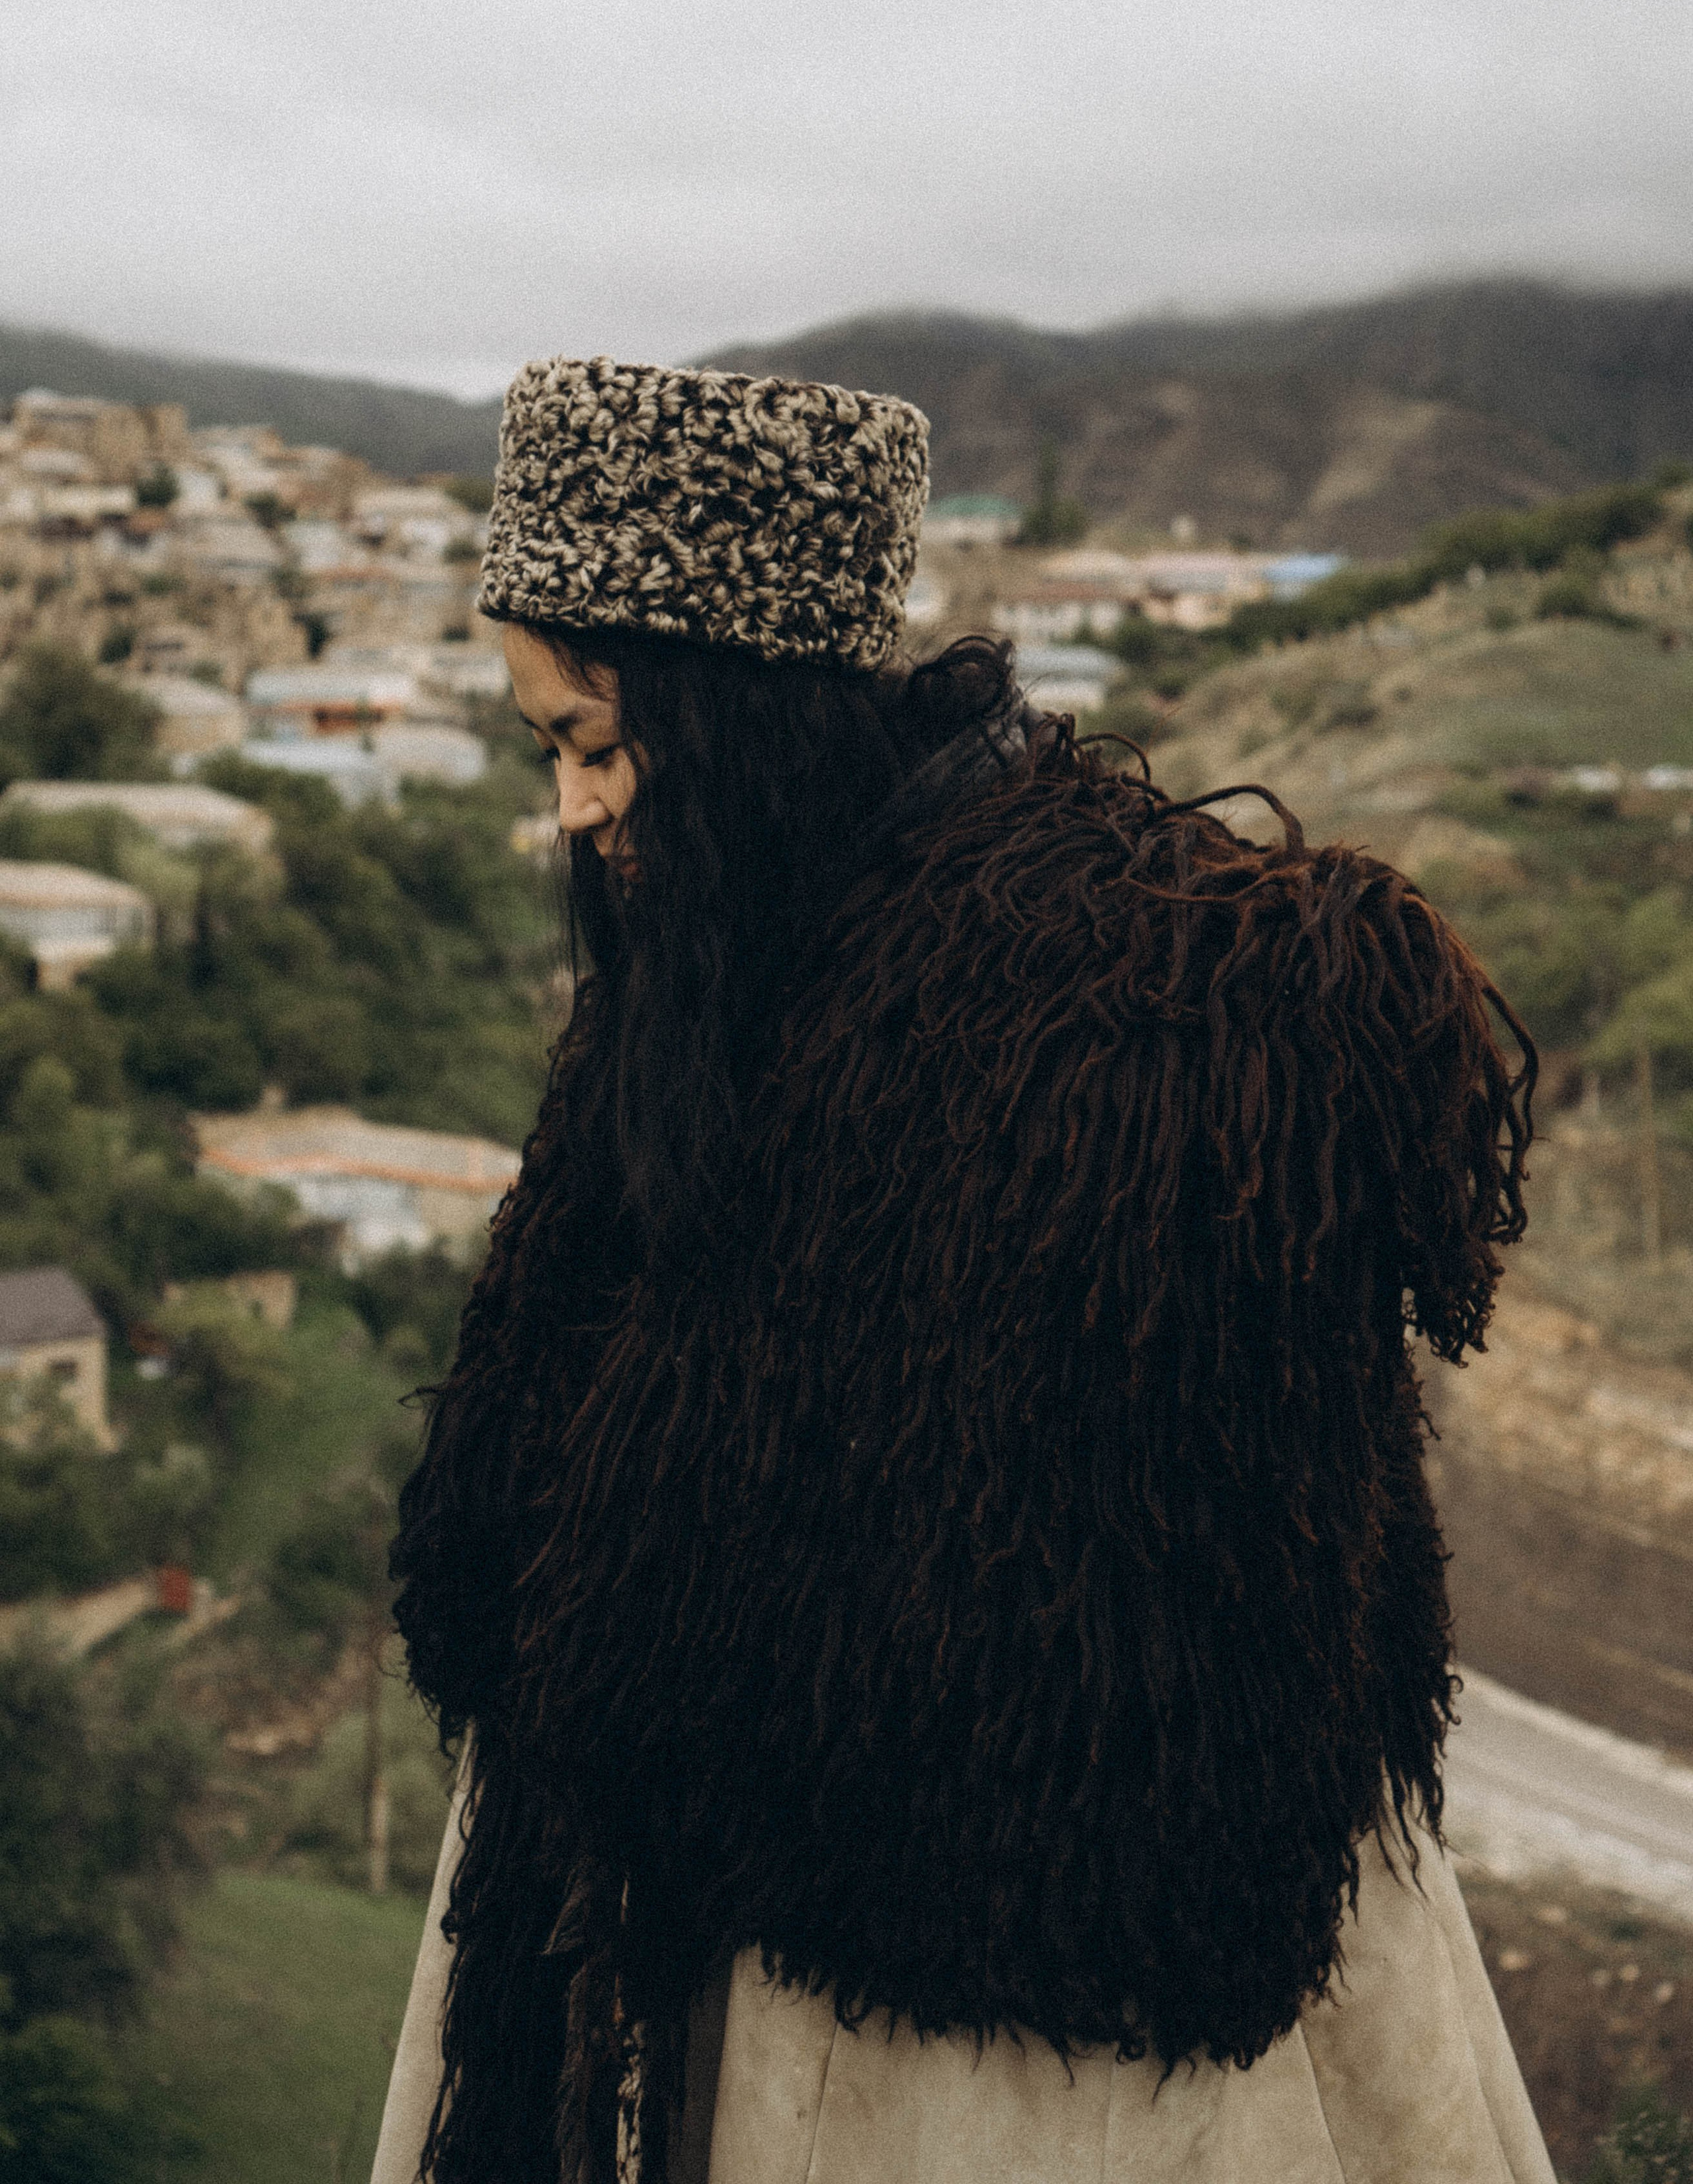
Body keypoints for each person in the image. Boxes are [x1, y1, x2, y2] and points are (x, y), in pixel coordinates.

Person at [376, 356, 1555, 2184]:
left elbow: (1159, 1640)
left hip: (998, 2071)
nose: (576, 815)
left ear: (734, 716)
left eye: (598, 743)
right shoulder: (730, 955)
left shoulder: (1152, 1022)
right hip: (689, 1946)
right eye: (551, 751)